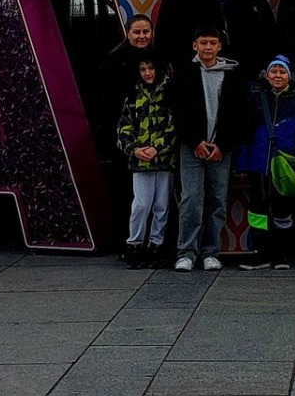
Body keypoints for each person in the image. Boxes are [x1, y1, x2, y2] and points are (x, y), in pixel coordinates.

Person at [170, 25, 244, 270]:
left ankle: (211, 252)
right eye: (203, 43)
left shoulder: (232, 75)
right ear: (195, 45)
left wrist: (223, 144)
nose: (208, 47)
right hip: (192, 148)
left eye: (213, 43)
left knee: (217, 201)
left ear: (220, 46)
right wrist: (195, 142)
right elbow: (178, 113)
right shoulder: (184, 74)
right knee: (191, 200)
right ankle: (186, 252)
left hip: (220, 150)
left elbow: (238, 115)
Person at [237, 54, 295, 269]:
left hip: (286, 167)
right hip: (258, 165)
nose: (278, 75)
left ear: (289, 76)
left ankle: (282, 253)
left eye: (282, 72)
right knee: (257, 211)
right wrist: (242, 164)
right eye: (274, 71)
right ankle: (261, 253)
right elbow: (246, 135)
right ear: (267, 74)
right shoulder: (256, 99)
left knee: (283, 211)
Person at [116, 53, 177, 267]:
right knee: (141, 204)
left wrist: (157, 148)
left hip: (164, 158)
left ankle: (156, 245)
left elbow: (175, 126)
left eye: (151, 68)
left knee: (162, 205)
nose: (148, 73)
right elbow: (124, 126)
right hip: (140, 159)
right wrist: (133, 149)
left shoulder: (169, 92)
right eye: (143, 69)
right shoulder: (133, 95)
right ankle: (134, 244)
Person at [98, 14, 156, 152]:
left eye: (146, 32)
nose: (142, 36)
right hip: (124, 123)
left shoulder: (158, 55)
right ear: (128, 34)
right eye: (136, 32)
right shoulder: (114, 59)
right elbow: (107, 98)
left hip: (155, 124)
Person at [220, 0, 277, 80]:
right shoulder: (223, 3)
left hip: (257, 67)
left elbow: (270, 33)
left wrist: (266, 63)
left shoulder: (260, 2)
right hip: (229, 66)